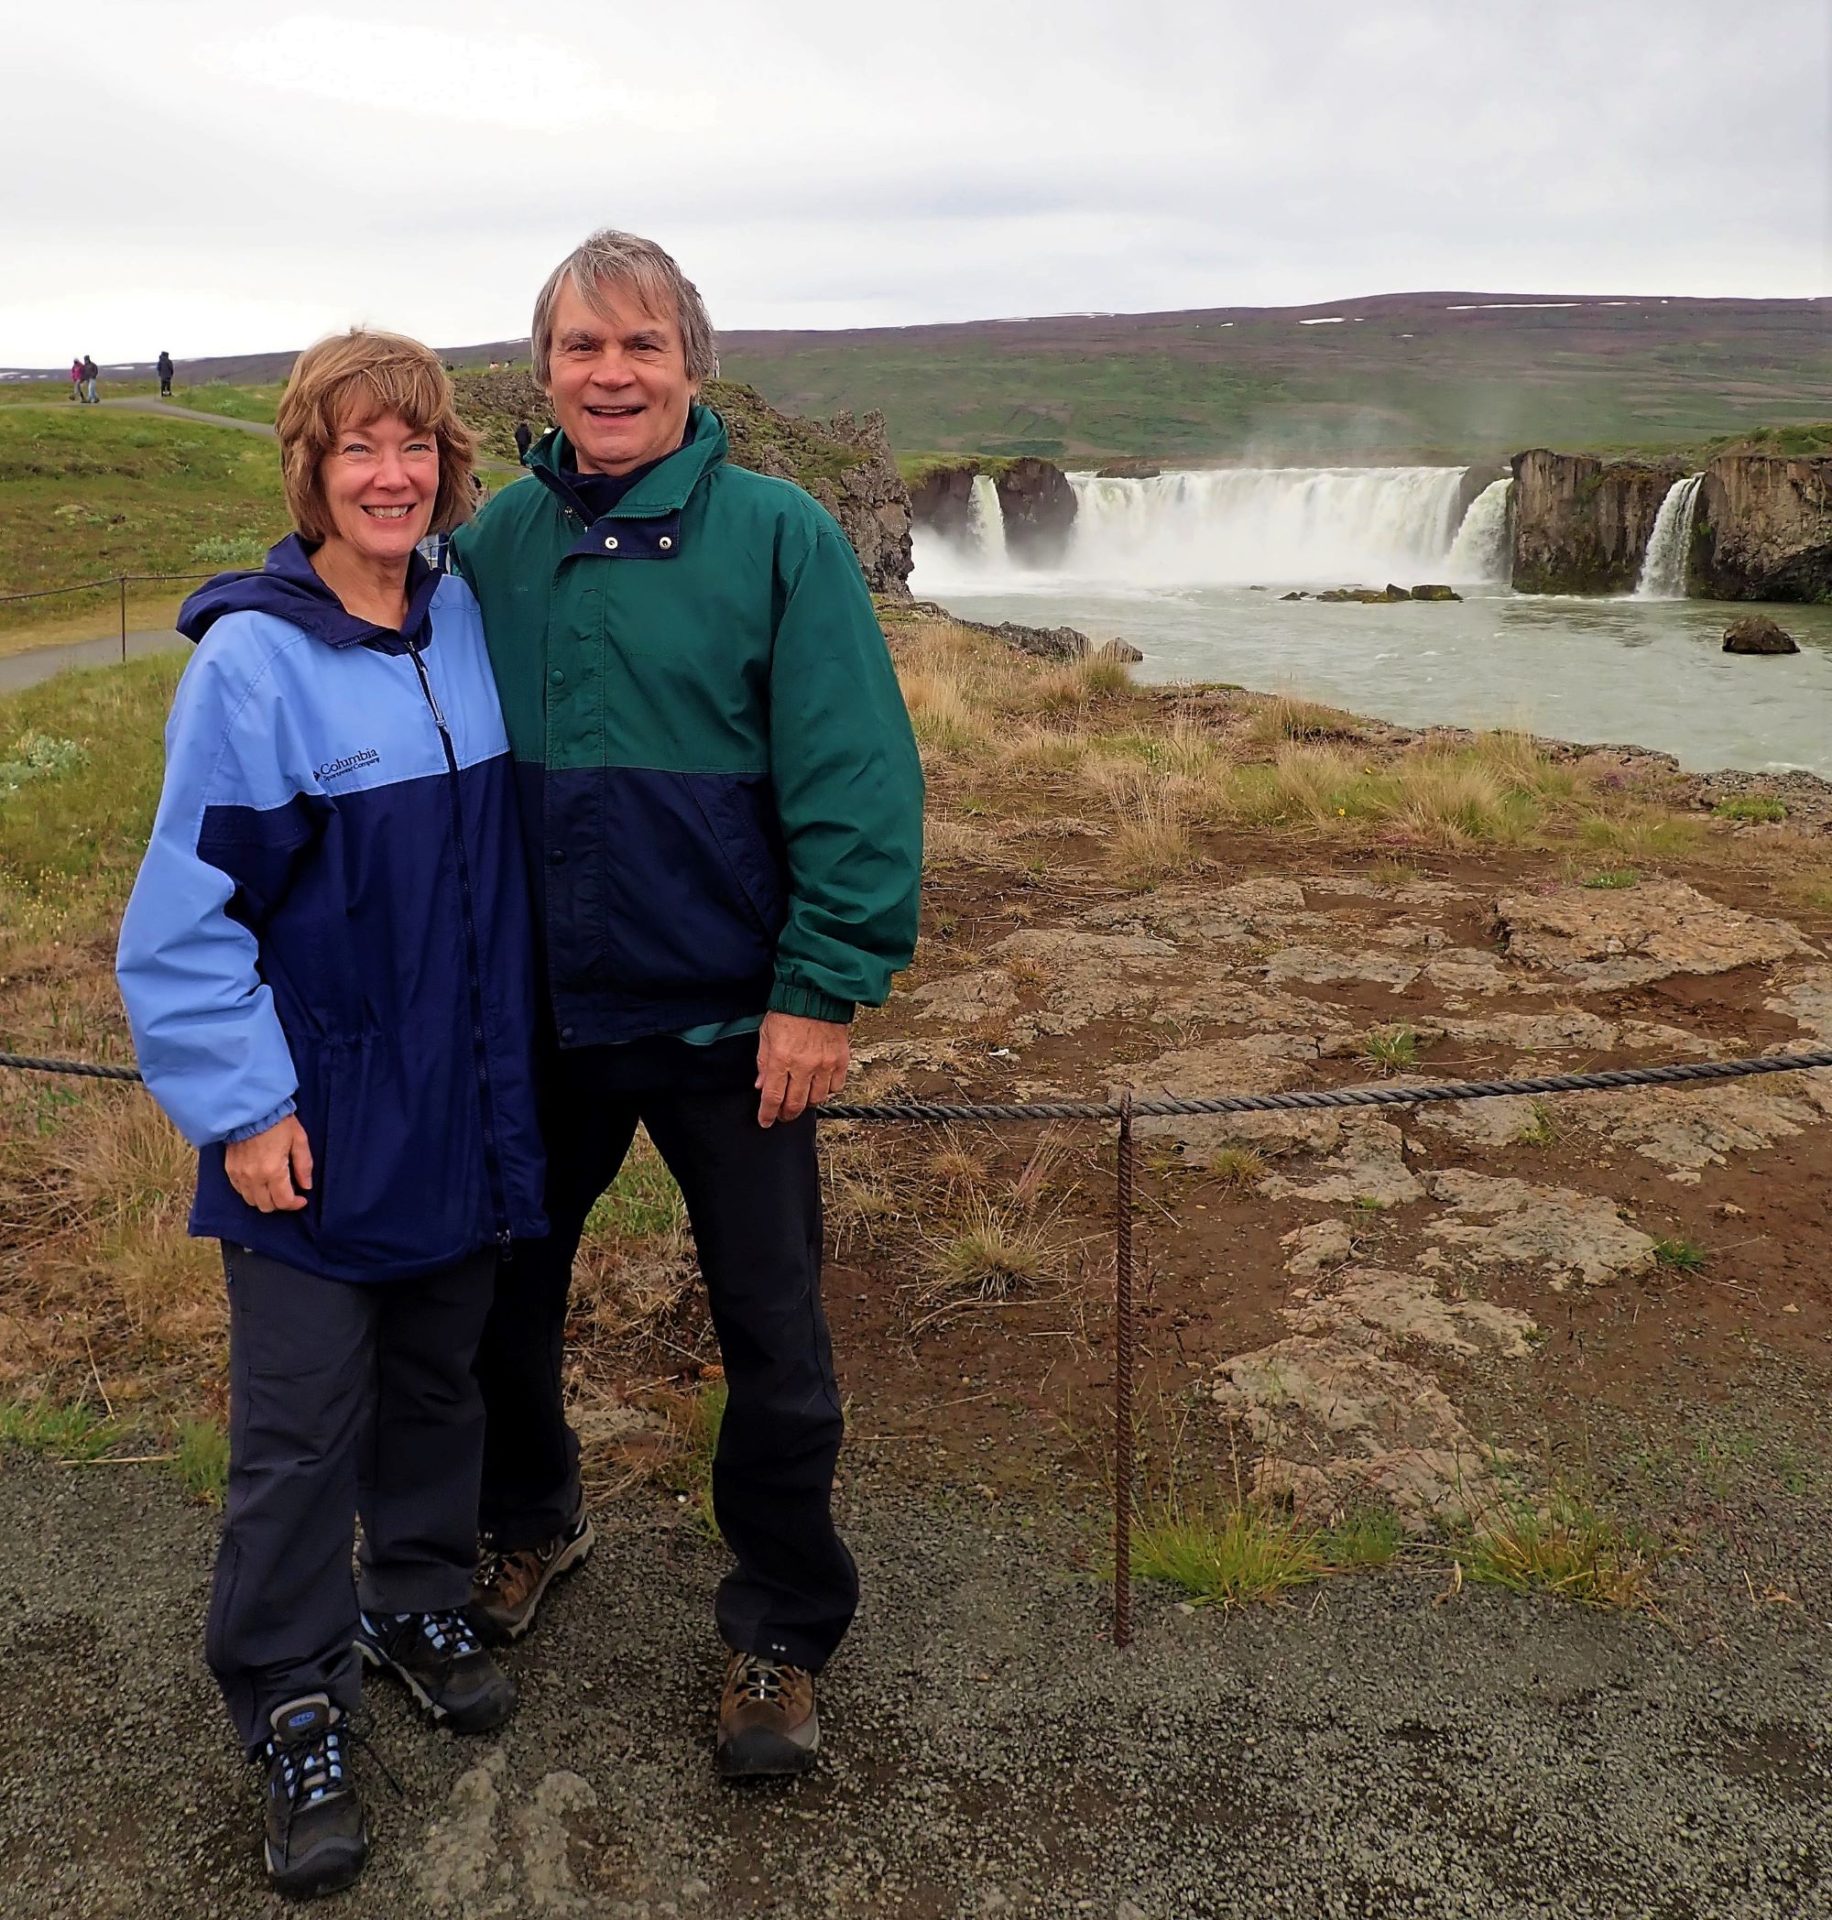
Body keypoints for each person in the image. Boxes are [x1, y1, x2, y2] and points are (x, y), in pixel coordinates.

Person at [451, 229, 923, 1780]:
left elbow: (854, 774)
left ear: (693, 367)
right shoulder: (494, 543)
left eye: (641, 346)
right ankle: (527, 1525)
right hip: (541, 1022)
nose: (612, 373)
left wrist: (821, 989)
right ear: (545, 371)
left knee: (772, 1336)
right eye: (584, 347)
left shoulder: (780, 536)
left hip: (736, 1030)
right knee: (502, 1304)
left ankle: (780, 1625)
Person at [116, 329, 546, 1899]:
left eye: (414, 446)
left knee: (440, 1381)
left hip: (462, 1108)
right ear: (312, 468)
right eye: (358, 448)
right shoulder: (252, 663)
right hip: (312, 1126)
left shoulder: (464, 621)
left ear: (444, 469)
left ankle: (417, 1594)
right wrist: (239, 1111)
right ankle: (292, 1693)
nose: (390, 474)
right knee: (300, 1437)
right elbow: (182, 924)